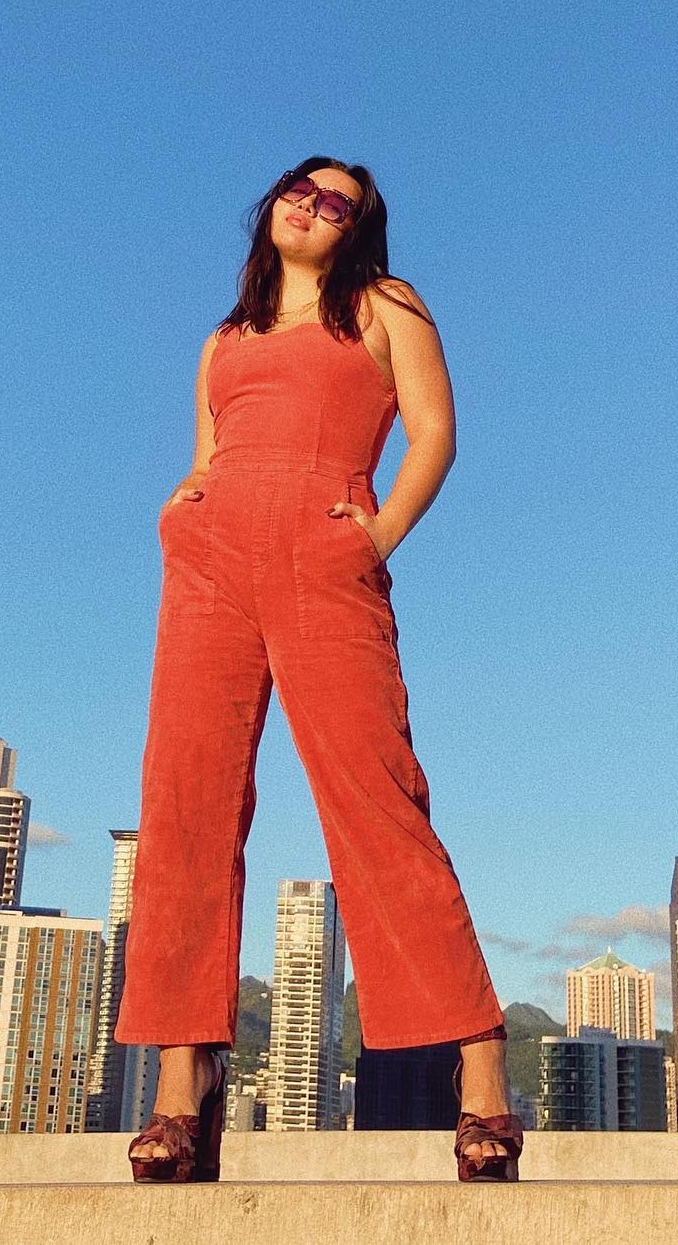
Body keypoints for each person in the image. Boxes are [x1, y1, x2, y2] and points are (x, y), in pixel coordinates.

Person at [115, 159, 523, 1182]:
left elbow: (435, 435)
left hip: (325, 549)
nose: (310, 204)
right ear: (273, 206)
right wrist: (183, 506)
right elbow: (206, 452)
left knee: (377, 793)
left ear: (357, 229)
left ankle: (480, 1070)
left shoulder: (386, 306)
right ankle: (183, 1085)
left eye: (335, 201)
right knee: (186, 800)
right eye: (300, 188)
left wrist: (375, 537)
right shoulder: (223, 339)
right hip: (209, 563)